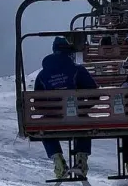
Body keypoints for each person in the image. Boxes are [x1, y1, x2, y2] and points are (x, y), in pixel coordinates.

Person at [34, 36, 98, 178]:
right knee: (84, 121)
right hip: (76, 115)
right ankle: (81, 160)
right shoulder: (77, 70)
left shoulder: (43, 75)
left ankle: (58, 159)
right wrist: (85, 106)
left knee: (45, 125)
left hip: (53, 118)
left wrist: (48, 110)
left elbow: (37, 100)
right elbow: (94, 90)